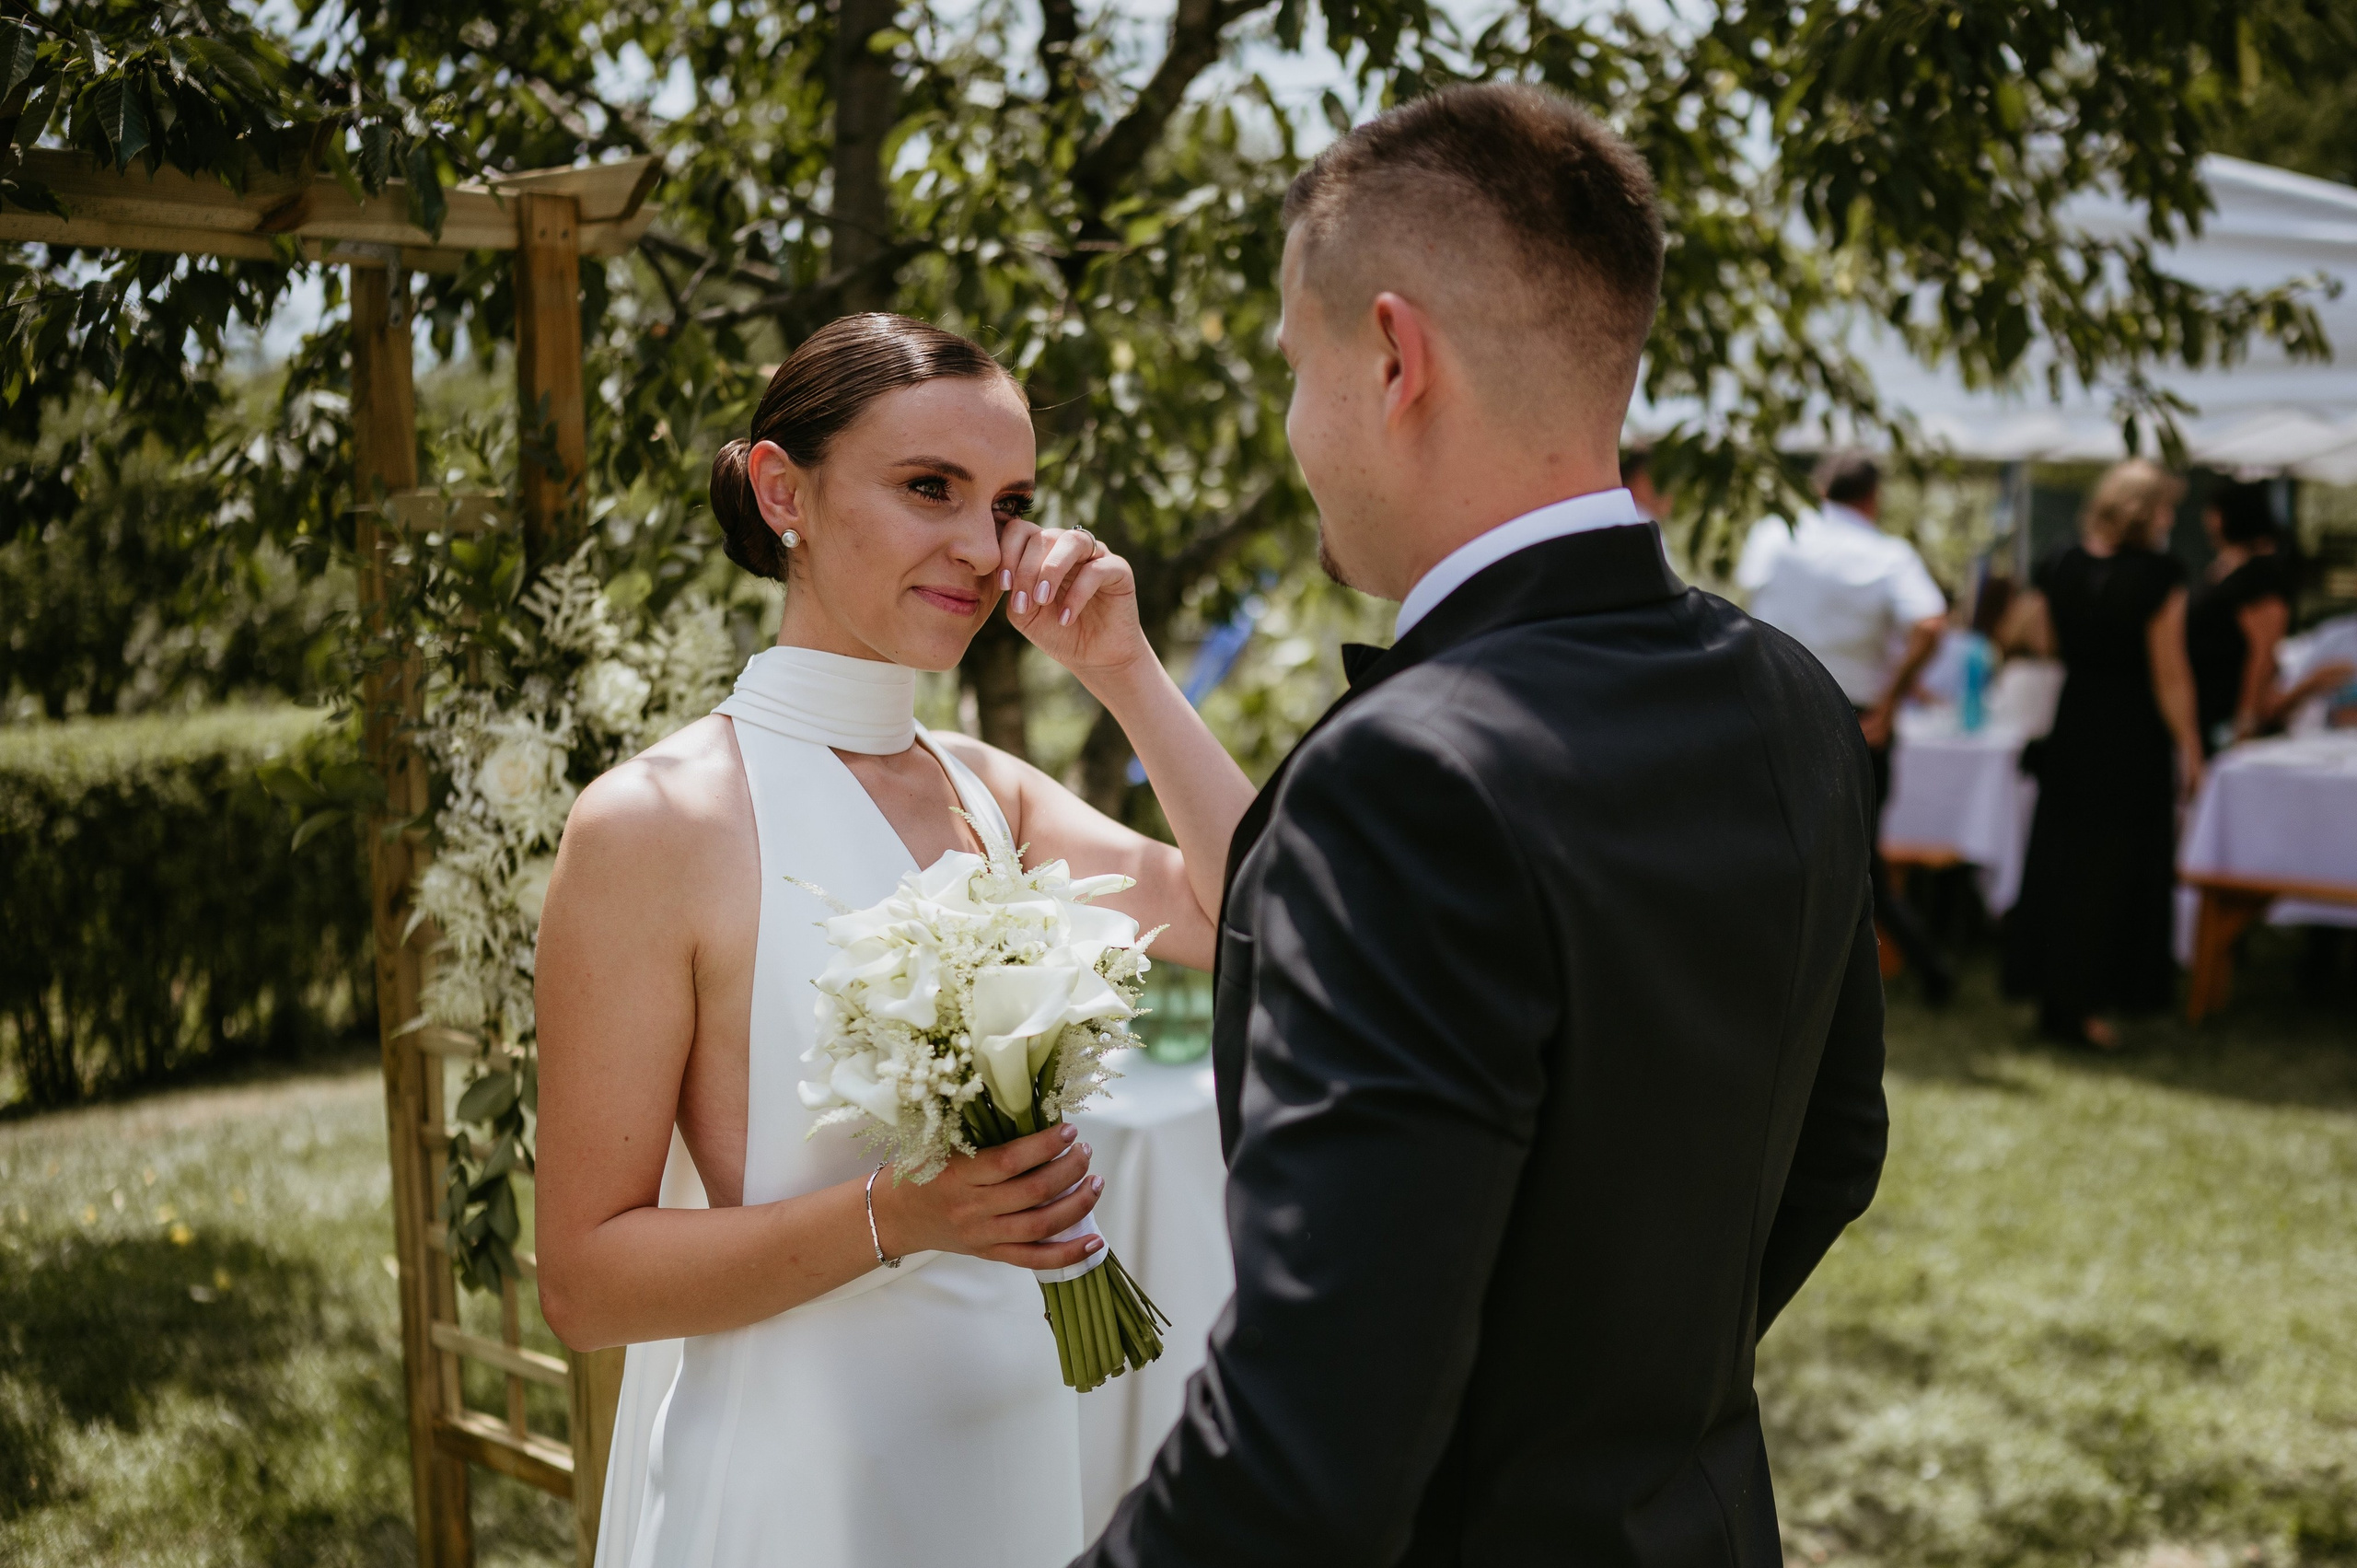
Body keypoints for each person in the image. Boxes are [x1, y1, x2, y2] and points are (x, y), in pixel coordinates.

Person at [1074, 83, 1887, 1568]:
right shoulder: (1789, 696)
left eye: (1293, 367)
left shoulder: (1407, 780)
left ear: (1391, 356)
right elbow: (1834, 1153)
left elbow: (1305, 1457)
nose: (1291, 425)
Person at [532, 312, 1258, 1568]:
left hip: (1021, 1462)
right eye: (931, 487)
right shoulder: (656, 821)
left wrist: (1127, 668)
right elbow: (586, 1280)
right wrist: (897, 1214)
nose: (982, 549)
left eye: (1011, 502)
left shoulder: (993, 790)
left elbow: (1251, 911)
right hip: (804, 1493)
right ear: (783, 490)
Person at [1736, 450, 1956, 1002]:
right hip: (1853, 717)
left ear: (1819, 489)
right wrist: (1891, 699)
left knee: (1772, 841)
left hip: (1771, 709)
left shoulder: (1775, 534)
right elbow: (1931, 623)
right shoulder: (1887, 553)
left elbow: (1743, 599)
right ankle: (1913, 967)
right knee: (1859, 857)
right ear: (1873, 496)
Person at [2003, 459, 2203, 1049]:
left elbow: (2043, 641)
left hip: (2074, 723)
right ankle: (2087, 1005)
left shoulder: (2060, 561)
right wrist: (2191, 746)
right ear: (2147, 511)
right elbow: (2170, 675)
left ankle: (2052, 996)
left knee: (2062, 862)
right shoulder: (2159, 575)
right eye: (2166, 506)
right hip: (2130, 734)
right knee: (2113, 869)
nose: (2171, 518)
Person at [2189, 480, 2346, 752]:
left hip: (2229, 709)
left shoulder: (2260, 575)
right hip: (2207, 701)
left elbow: (2261, 652)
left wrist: (2246, 720)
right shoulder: (2228, 566)